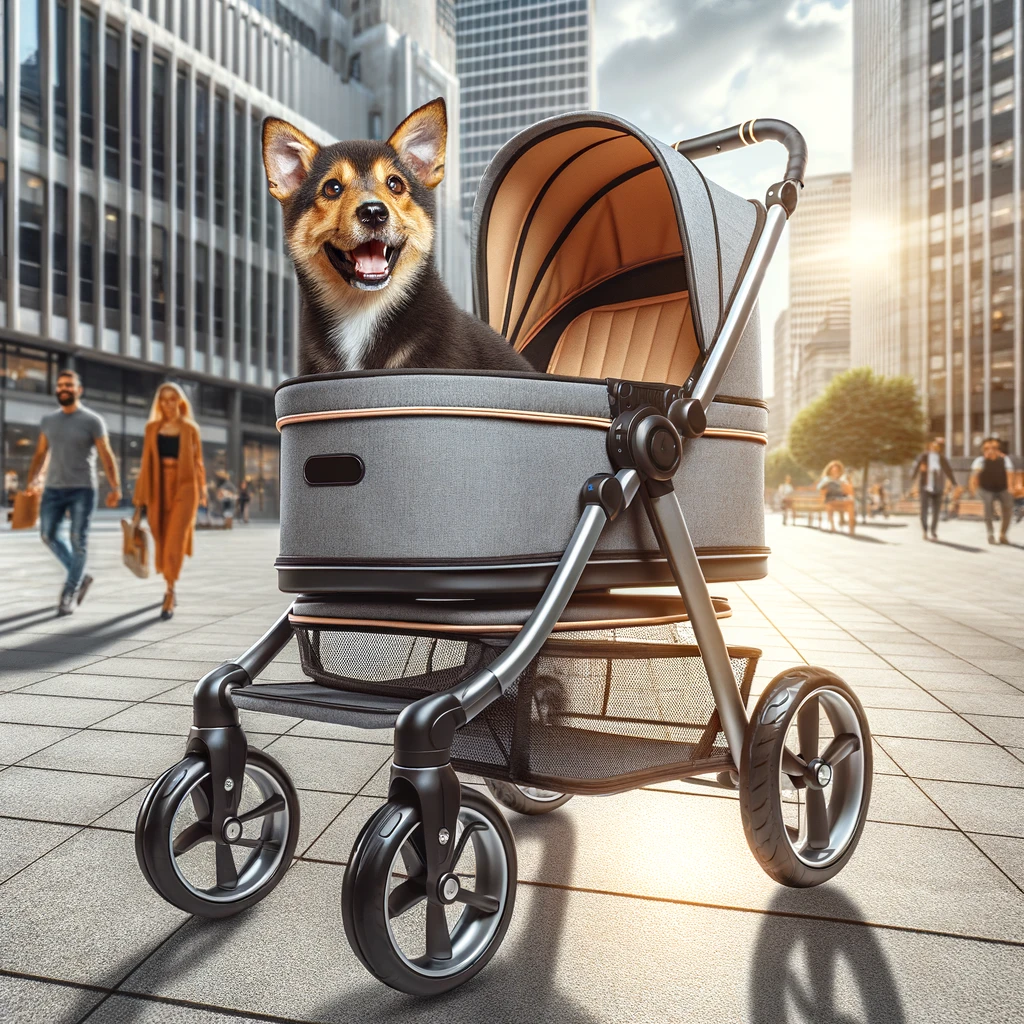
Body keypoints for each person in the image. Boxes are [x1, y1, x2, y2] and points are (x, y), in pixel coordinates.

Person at [25, 369, 122, 615]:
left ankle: (69, 592)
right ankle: (81, 575)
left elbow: (106, 455)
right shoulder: (48, 421)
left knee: (79, 542)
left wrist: (115, 487)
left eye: (69, 385)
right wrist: (32, 481)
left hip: (83, 489)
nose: (64, 388)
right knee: (47, 535)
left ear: (79, 390)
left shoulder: (92, 420)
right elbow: (40, 455)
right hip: (53, 489)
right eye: (60, 385)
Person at [132, 382, 207, 619]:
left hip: (185, 487)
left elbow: (198, 462)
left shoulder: (189, 428)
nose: (168, 404)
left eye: (172, 398)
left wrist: (202, 491)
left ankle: (170, 591)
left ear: (180, 402)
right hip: (158, 486)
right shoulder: (152, 428)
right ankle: (169, 579)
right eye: (163, 399)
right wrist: (139, 501)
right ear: (159, 403)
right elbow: (145, 465)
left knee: (175, 538)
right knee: (161, 536)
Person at [970, 437, 1016, 545]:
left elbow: (1010, 473)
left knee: (1008, 508)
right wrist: (974, 489)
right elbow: (974, 476)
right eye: (987, 448)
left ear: (999, 449)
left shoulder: (1005, 460)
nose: (990, 450)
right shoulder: (980, 461)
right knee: (988, 510)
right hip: (986, 489)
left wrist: (1010, 487)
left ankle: (1003, 534)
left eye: (994, 447)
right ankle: (990, 534)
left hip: (1003, 487)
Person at [910, 437, 957, 540]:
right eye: (933, 445)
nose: (935, 447)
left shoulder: (941, 458)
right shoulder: (924, 456)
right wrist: (912, 478)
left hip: (938, 487)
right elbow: (917, 467)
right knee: (924, 510)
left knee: (936, 511)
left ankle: (933, 531)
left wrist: (954, 482)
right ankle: (925, 530)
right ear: (929, 446)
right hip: (925, 487)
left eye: (937, 446)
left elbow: (948, 470)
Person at [817, 460, 856, 535]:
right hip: (830, 498)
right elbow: (819, 487)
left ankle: (851, 528)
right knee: (829, 504)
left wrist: (845, 483)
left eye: (836, 470)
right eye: (833, 469)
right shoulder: (826, 478)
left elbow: (848, 489)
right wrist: (827, 483)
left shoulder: (842, 478)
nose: (835, 471)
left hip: (841, 498)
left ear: (839, 470)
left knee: (850, 504)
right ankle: (833, 526)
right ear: (830, 470)